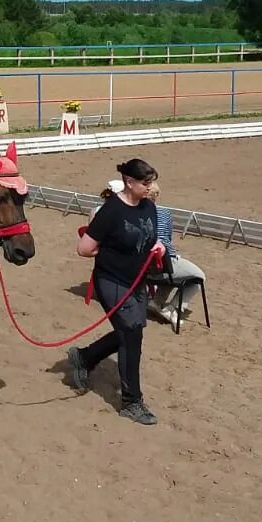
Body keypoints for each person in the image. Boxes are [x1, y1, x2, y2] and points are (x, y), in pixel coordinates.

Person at [67, 158, 165, 425]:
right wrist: (112, 254)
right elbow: (84, 248)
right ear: (129, 182)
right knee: (131, 335)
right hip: (112, 280)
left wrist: (159, 247)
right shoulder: (110, 211)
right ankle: (131, 402)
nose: (150, 187)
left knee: (131, 330)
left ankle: (84, 357)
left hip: (137, 280)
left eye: (151, 182)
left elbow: (151, 236)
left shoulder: (148, 207)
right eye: (145, 183)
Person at [147, 181, 206, 328]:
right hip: (161, 265)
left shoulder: (133, 215)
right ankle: (172, 308)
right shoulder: (164, 213)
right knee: (198, 278)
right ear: (156, 196)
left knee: (173, 271)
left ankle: (157, 302)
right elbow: (167, 239)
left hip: (142, 269)